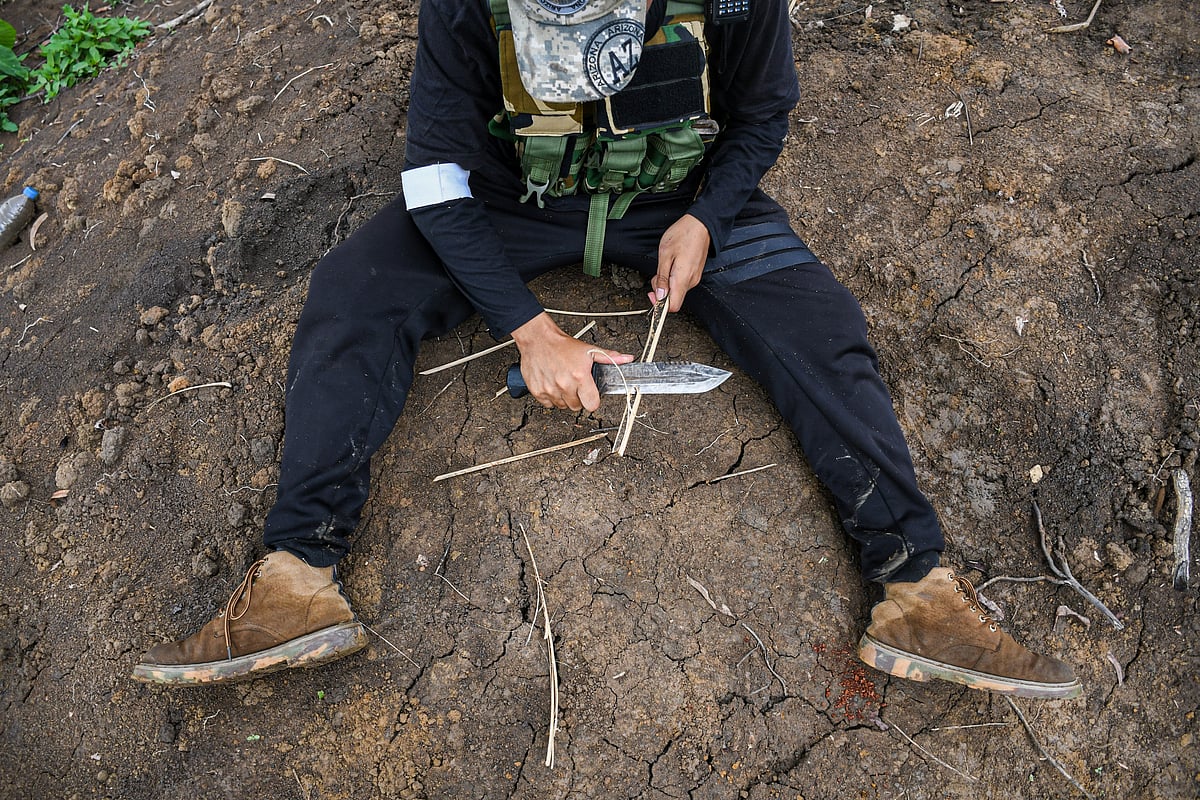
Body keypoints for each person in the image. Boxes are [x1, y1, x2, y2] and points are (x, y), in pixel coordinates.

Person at [133, 0, 1081, 700]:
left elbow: (762, 116)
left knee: (820, 326)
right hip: (510, 199)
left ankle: (917, 591)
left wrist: (708, 218)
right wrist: (527, 326)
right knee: (351, 297)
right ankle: (297, 581)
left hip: (679, 198)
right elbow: (431, 173)